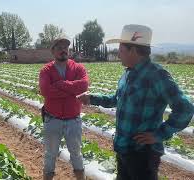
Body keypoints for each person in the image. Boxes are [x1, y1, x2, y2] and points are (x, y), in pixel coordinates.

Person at [77, 24, 194, 180]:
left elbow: (185, 108)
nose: (118, 54)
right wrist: (92, 98)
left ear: (133, 50)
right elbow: (116, 99)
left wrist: (160, 133)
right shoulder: (128, 73)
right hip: (123, 147)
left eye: (121, 49)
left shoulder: (157, 75)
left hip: (143, 153)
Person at [39, 38, 89, 180]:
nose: (63, 50)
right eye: (59, 47)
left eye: (66, 47)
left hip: (73, 120)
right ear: (53, 51)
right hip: (52, 119)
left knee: (76, 154)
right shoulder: (46, 70)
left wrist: (60, 84)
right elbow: (45, 91)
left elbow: (84, 86)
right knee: (50, 154)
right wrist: (72, 89)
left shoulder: (78, 68)